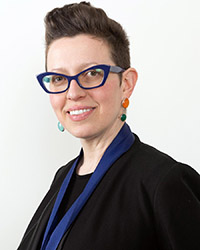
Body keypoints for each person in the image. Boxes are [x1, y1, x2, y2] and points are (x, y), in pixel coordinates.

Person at [17, 2, 200, 250]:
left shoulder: (164, 183)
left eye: (91, 73)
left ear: (126, 83)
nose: (73, 92)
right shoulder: (62, 177)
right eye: (59, 78)